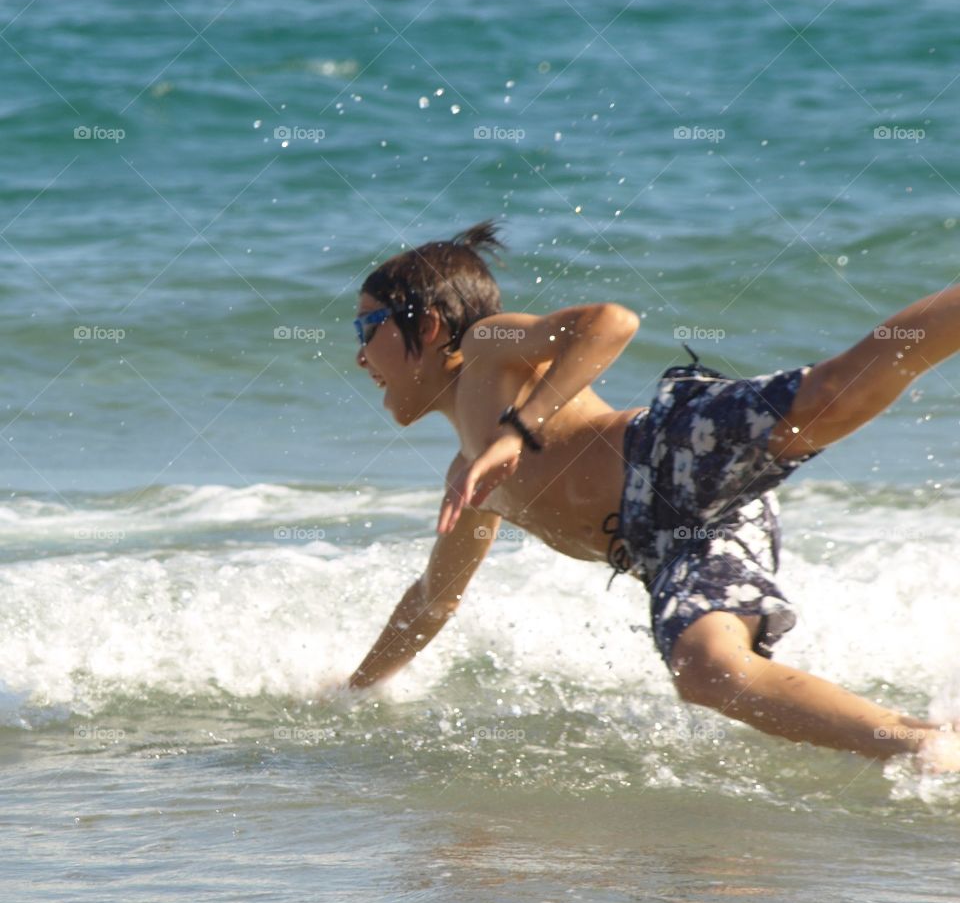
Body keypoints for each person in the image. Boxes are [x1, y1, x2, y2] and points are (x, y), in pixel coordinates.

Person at [348, 220, 960, 771]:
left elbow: (609, 322)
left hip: (669, 451)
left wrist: (519, 429)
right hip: (674, 546)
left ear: (427, 327)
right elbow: (432, 601)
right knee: (707, 673)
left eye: (366, 327)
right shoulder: (473, 480)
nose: (358, 356)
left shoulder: (484, 350)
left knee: (832, 394)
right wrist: (352, 693)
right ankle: (925, 743)